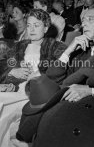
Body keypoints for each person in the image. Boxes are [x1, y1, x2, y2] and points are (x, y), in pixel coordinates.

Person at [16, 3, 94, 146]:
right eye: (83, 20)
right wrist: (69, 50)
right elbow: (54, 77)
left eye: (90, 19)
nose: (84, 23)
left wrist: (90, 91)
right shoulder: (78, 52)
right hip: (68, 101)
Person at [0, 8, 66, 147]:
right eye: (29, 25)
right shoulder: (19, 46)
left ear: (46, 28)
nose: (31, 29)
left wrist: (38, 75)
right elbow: (5, 66)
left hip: (36, 93)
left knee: (4, 113)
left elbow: (59, 72)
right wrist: (13, 71)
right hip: (16, 88)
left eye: (36, 25)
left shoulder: (55, 46)